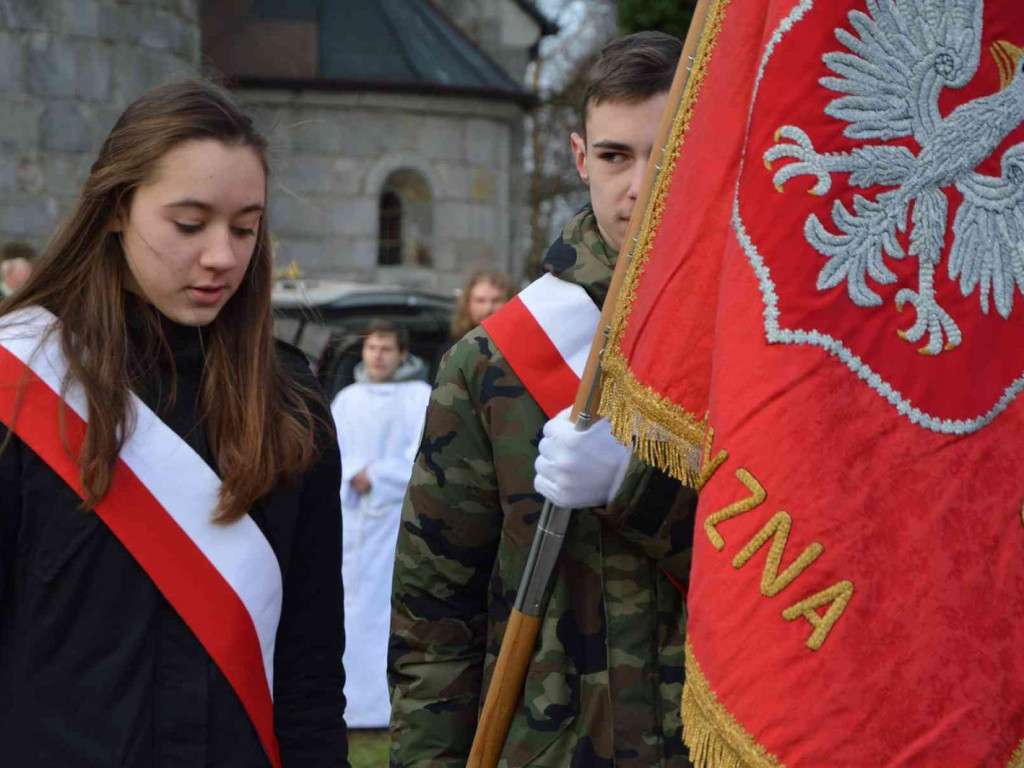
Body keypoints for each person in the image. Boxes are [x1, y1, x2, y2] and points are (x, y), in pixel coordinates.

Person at [0, 80, 348, 766]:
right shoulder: (17, 386)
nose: (223, 257)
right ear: (115, 209)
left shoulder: (289, 401)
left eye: (245, 228)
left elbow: (308, 671)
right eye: (189, 225)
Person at [389, 32, 694, 767]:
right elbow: (436, 620)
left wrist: (639, 488)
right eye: (616, 156)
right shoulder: (488, 364)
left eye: (668, 154)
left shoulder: (775, 349)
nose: (640, 186)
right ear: (580, 158)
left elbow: (807, 568)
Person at [330, 319, 430, 729]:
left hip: (393, 520)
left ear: (402, 354)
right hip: (351, 519)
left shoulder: (419, 397)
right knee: (348, 602)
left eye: (386, 349)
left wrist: (378, 476)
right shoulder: (347, 399)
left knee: (386, 604)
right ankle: (349, 703)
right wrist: (351, 473)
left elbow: (421, 456)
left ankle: (383, 703)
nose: (378, 357)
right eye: (372, 348)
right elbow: (331, 451)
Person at [434, 269, 512, 370]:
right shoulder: (453, 351)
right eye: (480, 301)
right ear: (467, 304)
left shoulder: (521, 346)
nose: (488, 308)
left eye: (496, 300)